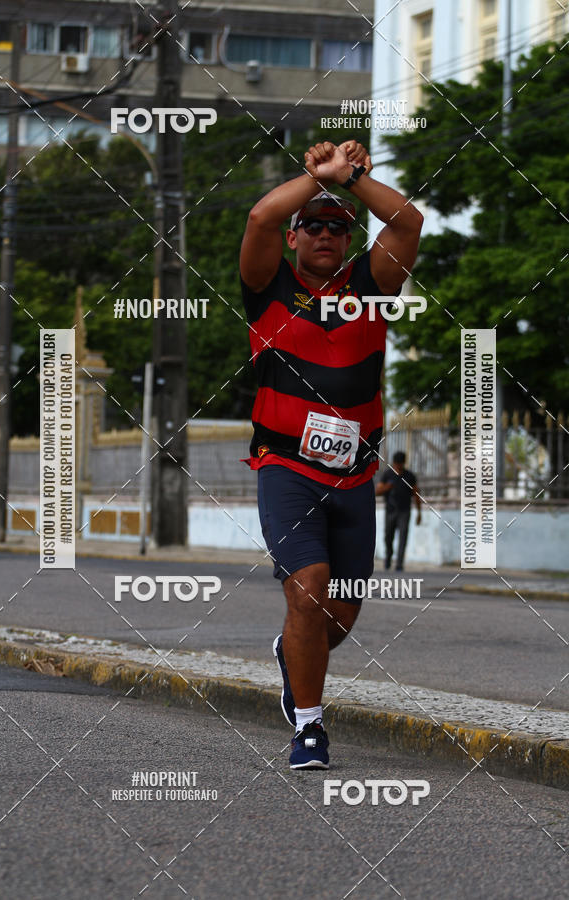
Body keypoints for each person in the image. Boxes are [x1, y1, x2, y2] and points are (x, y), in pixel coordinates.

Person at [239, 139, 423, 768]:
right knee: (309, 591)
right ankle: (310, 729)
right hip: (285, 466)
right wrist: (314, 176)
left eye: (336, 227)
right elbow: (261, 217)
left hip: (354, 478)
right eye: (311, 226)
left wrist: (354, 180)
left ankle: (292, 653)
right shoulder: (267, 288)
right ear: (295, 239)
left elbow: (408, 223)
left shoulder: (371, 285)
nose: (324, 233)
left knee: (336, 618)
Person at [376, 451, 422, 571]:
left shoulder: (409, 476)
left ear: (403, 463)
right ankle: (388, 558)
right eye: (396, 464)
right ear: (394, 463)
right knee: (388, 536)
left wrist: (419, 513)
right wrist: (387, 487)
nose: (398, 466)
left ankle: (399, 563)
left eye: (400, 464)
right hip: (390, 511)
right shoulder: (388, 474)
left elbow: (416, 494)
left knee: (403, 537)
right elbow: (377, 492)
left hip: (404, 512)